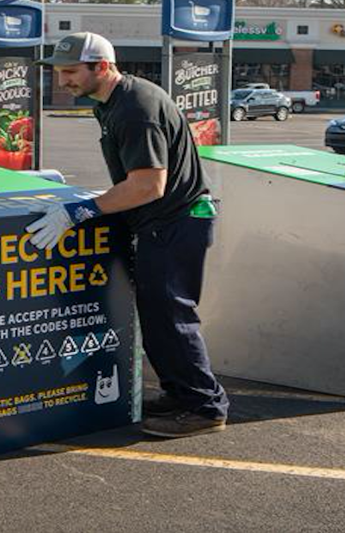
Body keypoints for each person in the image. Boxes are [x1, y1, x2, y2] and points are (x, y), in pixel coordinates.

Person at [29, 33, 229, 439]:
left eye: (70, 71)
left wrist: (80, 211)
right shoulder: (114, 102)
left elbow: (148, 186)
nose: (62, 81)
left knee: (172, 317)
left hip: (176, 221)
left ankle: (205, 407)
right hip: (163, 222)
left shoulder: (136, 108)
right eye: (58, 72)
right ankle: (181, 394)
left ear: (101, 67)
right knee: (156, 318)